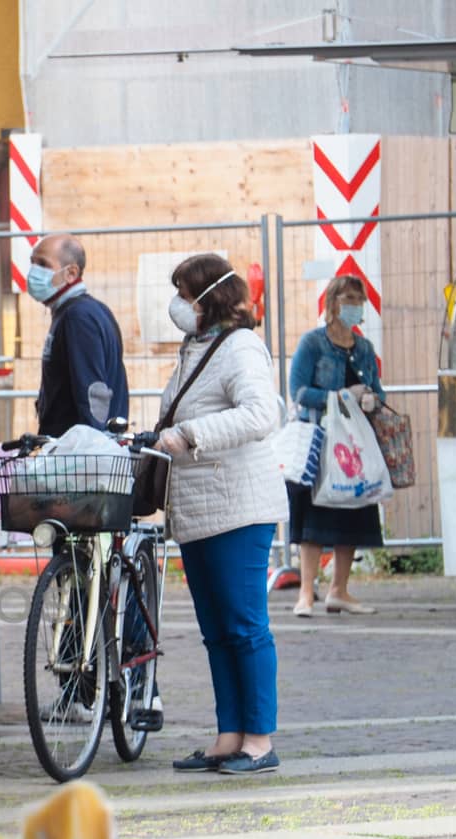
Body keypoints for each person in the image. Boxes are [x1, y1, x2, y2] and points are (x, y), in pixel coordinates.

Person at [156, 254, 289, 776]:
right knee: (216, 629)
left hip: (238, 506)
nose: (177, 306)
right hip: (198, 508)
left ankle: (259, 739)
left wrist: (191, 435)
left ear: (207, 298)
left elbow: (262, 413)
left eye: (184, 295)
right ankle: (229, 734)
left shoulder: (241, 347)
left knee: (244, 624)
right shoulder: (197, 348)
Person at [286, 275, 384, 617]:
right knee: (313, 519)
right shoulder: (313, 343)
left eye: (359, 299)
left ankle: (339, 590)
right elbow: (297, 391)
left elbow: (378, 391)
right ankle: (305, 594)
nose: (355, 306)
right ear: (331, 304)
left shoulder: (365, 349)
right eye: (348, 299)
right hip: (321, 442)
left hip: (354, 448)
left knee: (353, 513)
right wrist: (339, 397)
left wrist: (372, 399)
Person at [30, 234, 130, 437]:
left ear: (71, 273)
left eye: (43, 264)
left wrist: (90, 446)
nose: (33, 271)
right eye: (32, 263)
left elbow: (92, 391)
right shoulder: (87, 311)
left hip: (77, 454)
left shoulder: (78, 317)